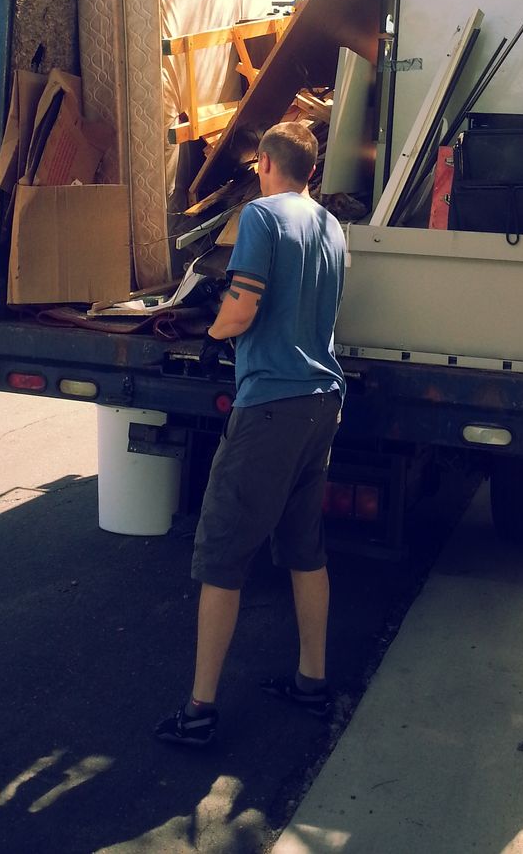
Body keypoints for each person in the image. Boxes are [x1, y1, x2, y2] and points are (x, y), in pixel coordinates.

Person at [154, 121, 347, 747]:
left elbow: (241, 308)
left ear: (264, 162)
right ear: (310, 169)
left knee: (222, 553)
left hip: (270, 406)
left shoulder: (262, 217)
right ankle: (311, 681)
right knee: (303, 547)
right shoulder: (331, 227)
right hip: (322, 402)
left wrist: (205, 330)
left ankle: (200, 710)